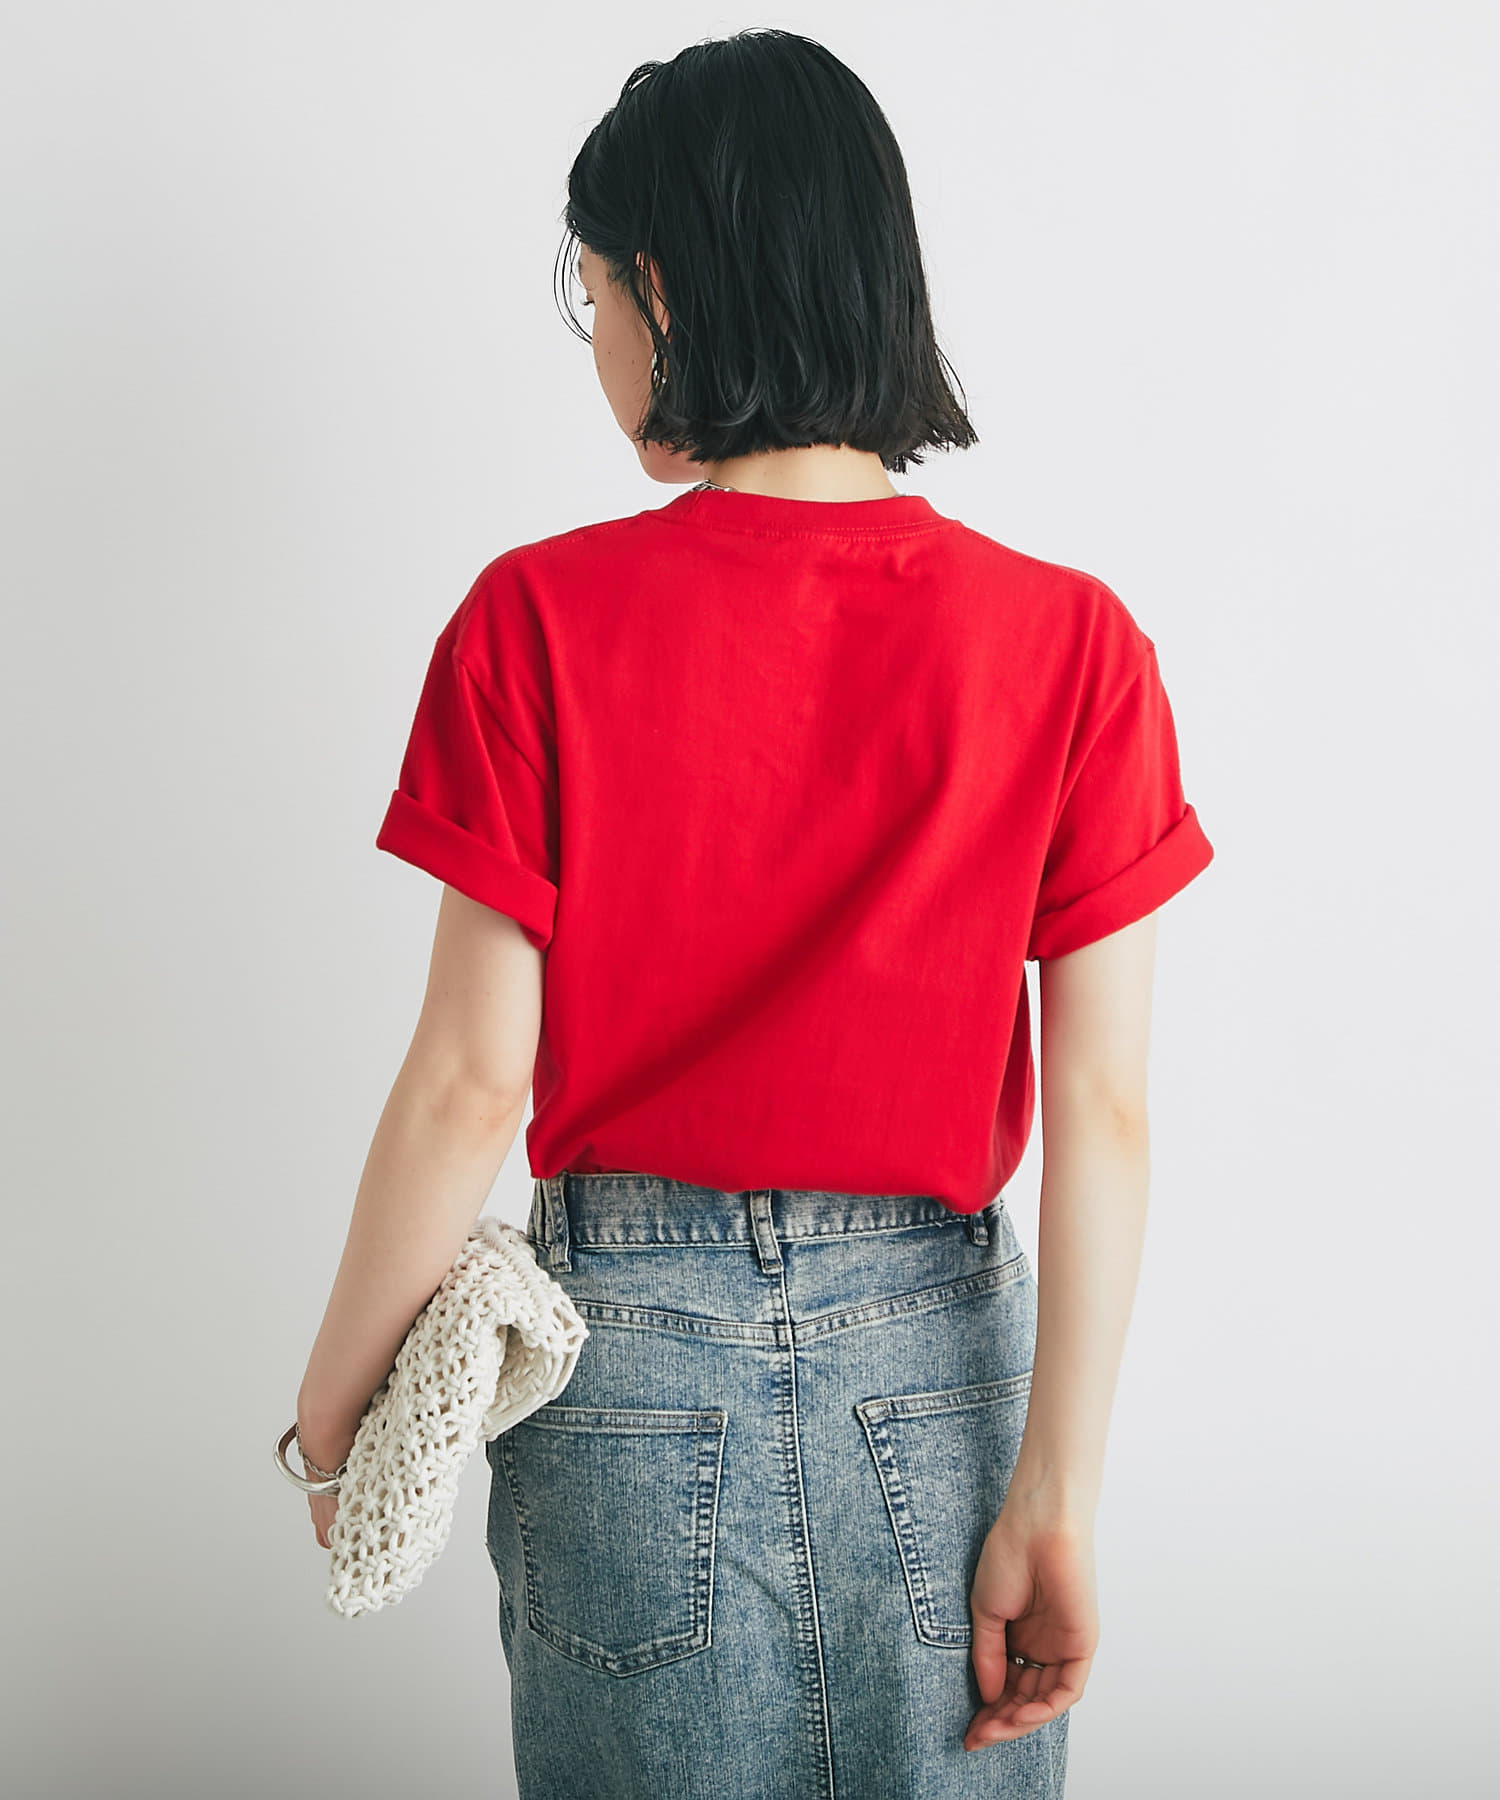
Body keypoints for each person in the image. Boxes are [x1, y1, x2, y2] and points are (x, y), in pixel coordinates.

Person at [295, 27, 1214, 1800]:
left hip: (620, 1374)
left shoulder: (533, 623)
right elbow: (1103, 1107)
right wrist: (1058, 1492)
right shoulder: (1075, 645)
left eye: (594, 301)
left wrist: (335, 1406)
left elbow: (469, 1084)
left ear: (662, 286)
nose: (601, 351)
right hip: (944, 1374)